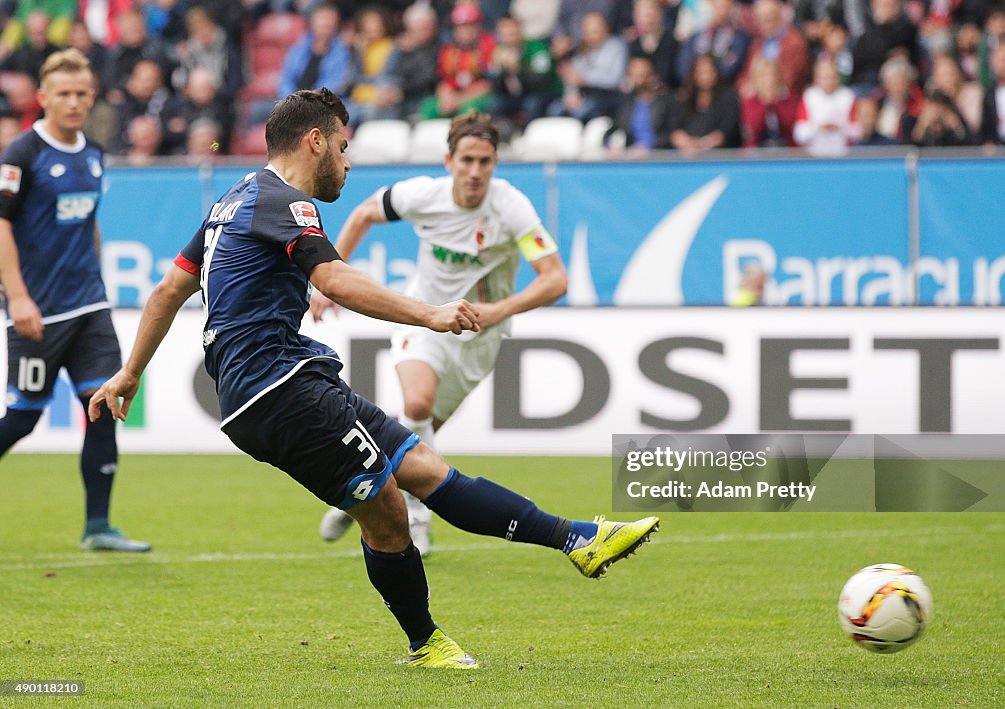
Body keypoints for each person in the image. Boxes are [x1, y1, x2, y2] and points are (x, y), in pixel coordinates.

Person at [88, 89, 659, 668]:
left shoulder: (234, 201)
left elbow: (167, 291)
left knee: (424, 470)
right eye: (342, 145)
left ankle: (578, 538)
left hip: (291, 378)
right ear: (316, 141)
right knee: (386, 507)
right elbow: (333, 280)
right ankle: (427, 643)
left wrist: (130, 373)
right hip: (275, 390)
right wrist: (430, 312)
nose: (348, 160)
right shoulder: (285, 203)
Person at [313, 109, 571, 556]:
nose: (475, 171)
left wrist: (497, 311)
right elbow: (362, 215)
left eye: (485, 162)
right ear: (449, 160)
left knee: (416, 439)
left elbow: (555, 279)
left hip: (480, 339)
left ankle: (365, 487)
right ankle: (416, 521)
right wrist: (330, 281)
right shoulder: (421, 195)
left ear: (494, 164)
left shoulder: (511, 209)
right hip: (426, 318)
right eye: (467, 160)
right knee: (417, 403)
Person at [0, 49, 150, 552]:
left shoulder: (94, 152)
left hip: (89, 308)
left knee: (103, 408)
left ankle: (99, 526)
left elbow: (89, 223)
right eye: (62, 94)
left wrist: (97, 277)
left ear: (92, 97)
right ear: (42, 98)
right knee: (21, 418)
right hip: (38, 311)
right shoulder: (21, 154)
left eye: (81, 93)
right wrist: (17, 296)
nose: (73, 103)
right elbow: (1, 225)